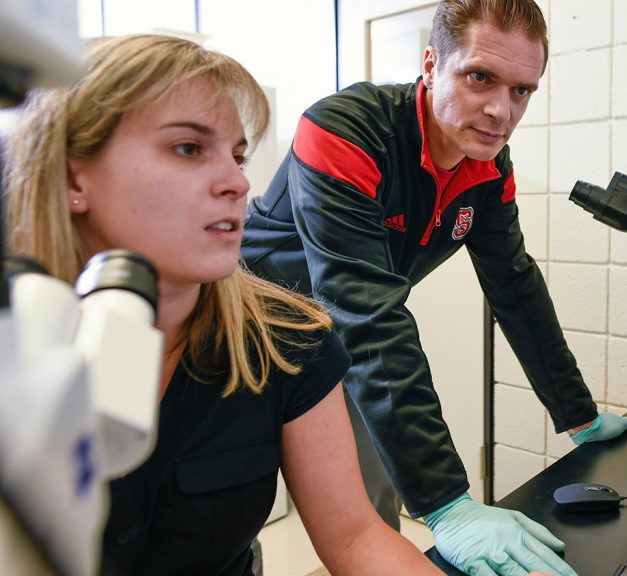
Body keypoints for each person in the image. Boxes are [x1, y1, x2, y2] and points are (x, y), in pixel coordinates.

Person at [2, 34, 445, 576]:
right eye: (188, 149)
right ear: (75, 176)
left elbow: (355, 538)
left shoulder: (289, 341)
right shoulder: (15, 342)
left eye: (237, 156)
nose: (237, 182)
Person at [241, 0, 627, 574]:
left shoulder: (489, 166)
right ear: (431, 64)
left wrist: (576, 412)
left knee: (369, 512)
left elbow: (514, 284)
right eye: (481, 77)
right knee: (230, 514)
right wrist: (449, 502)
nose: (502, 110)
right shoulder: (343, 129)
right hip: (249, 326)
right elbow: (368, 308)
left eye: (522, 90)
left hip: (334, 335)